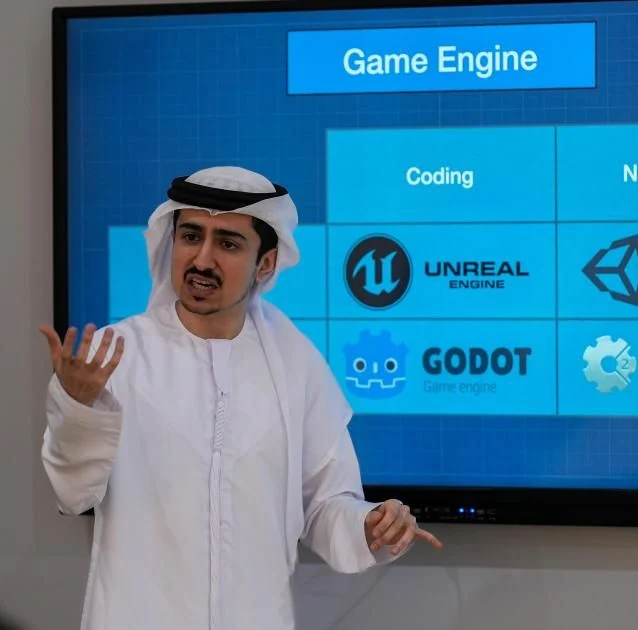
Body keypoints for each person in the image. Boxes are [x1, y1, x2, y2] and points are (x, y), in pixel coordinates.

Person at [39, 166, 443, 630]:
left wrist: (368, 525)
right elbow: (72, 493)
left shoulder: (295, 363)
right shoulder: (114, 356)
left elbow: (325, 504)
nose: (202, 259)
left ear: (265, 264)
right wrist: (78, 408)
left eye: (228, 244)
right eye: (191, 236)